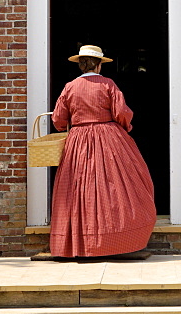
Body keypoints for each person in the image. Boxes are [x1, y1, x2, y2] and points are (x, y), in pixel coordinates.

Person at [49, 45, 157, 258]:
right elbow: (121, 113)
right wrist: (123, 129)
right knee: (116, 185)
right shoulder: (108, 84)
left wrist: (70, 128)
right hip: (108, 136)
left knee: (79, 189)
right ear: (99, 64)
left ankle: (80, 241)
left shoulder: (70, 86)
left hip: (78, 141)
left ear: (81, 64)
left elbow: (58, 119)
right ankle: (115, 240)